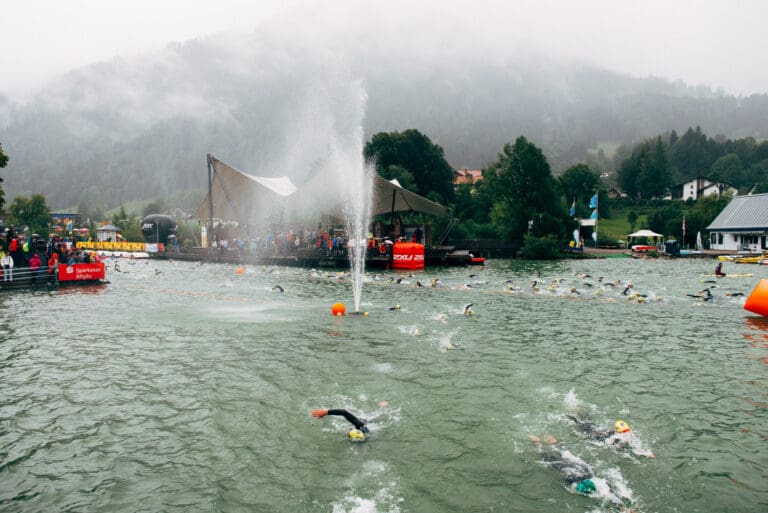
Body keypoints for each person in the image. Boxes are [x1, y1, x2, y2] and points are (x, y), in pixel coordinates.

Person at [529, 435, 638, 512]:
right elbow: (614, 499)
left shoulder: (598, 482)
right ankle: (538, 443)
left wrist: (624, 508)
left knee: (567, 455)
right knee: (552, 459)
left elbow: (614, 499)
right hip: (573, 474)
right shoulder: (585, 486)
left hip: (583, 470)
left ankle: (550, 441)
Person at [567, 417, 655, 458]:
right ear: (618, 432)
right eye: (624, 431)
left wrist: (646, 453)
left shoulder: (627, 434)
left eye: (627, 430)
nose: (627, 433)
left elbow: (636, 446)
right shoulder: (614, 437)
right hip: (592, 432)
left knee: (584, 420)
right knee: (578, 423)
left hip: (598, 430)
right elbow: (607, 445)